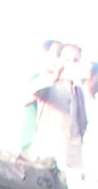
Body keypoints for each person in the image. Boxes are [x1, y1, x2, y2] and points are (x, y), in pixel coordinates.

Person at [21, 41, 92, 172]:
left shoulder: (79, 92)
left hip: (73, 159)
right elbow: (26, 98)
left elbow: (82, 126)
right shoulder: (47, 82)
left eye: (75, 60)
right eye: (67, 59)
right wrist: (55, 75)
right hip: (47, 156)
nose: (71, 63)